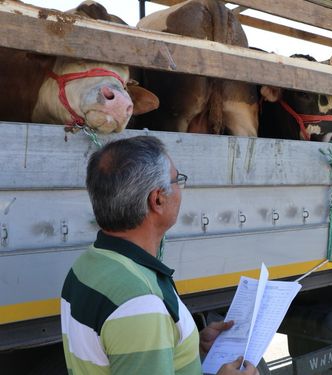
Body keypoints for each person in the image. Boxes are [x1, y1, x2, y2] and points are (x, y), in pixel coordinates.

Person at [60, 136, 258, 375]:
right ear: (157, 200)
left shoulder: (89, 264)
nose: (180, 189)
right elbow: (137, 326)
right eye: (177, 180)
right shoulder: (140, 303)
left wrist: (186, 346)